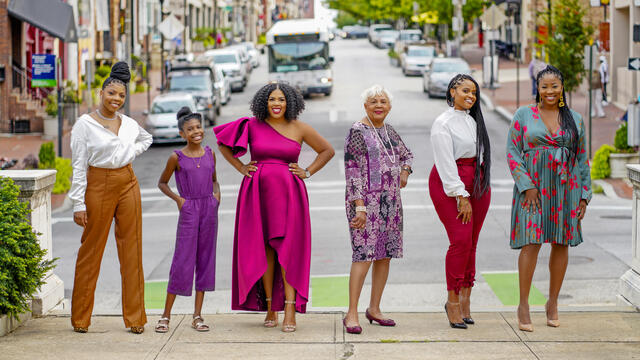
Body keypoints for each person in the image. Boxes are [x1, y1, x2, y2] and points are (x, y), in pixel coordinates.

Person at [213, 82, 334, 332]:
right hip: (256, 194)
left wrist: (307, 172)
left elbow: (327, 150)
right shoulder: (251, 125)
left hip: (290, 194)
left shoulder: (299, 127)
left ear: (289, 102)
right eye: (271, 100)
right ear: (263, 102)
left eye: (281, 99)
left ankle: (290, 308)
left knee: (288, 250)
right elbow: (222, 143)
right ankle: (270, 306)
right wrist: (241, 167)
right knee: (264, 248)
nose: (276, 104)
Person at [506, 65, 592, 332]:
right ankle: (523, 304)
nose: (550, 91)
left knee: (561, 243)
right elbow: (512, 151)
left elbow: (581, 158)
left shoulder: (575, 119)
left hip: (566, 188)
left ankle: (552, 303)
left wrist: (584, 196)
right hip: (532, 190)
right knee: (531, 242)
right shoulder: (523, 115)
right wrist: (526, 185)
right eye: (545, 86)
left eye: (555, 86)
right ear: (538, 89)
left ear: (562, 87)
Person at [69, 62, 152, 334]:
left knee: (132, 250)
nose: (116, 99)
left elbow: (146, 138)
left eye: (121, 95)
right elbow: (79, 165)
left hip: (128, 182)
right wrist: (78, 203)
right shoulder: (85, 125)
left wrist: (131, 153)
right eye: (111, 93)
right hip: (99, 184)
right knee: (91, 251)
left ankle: (136, 318)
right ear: (100, 93)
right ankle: (81, 318)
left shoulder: (128, 124)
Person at [342, 85, 414, 335]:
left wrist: (404, 172)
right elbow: (351, 171)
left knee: (384, 254)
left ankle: (374, 308)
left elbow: (408, 155)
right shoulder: (357, 131)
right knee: (363, 255)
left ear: (389, 107)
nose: (378, 105)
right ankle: (351, 313)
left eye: (383, 101)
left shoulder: (389, 131)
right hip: (365, 204)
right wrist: (358, 206)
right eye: (373, 101)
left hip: (391, 203)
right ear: (365, 106)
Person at [429, 74, 491, 329]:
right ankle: (452, 300)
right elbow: (445, 162)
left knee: (472, 243)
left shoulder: (474, 120)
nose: (471, 96)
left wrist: (479, 186)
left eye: (474, 93)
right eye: (465, 91)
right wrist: (460, 195)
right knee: (461, 241)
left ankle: (466, 298)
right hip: (451, 184)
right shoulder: (442, 123)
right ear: (452, 91)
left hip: (478, 182)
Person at [155, 107, 220, 333]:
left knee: (205, 260)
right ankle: (165, 316)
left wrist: (216, 197)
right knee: (182, 261)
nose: (196, 131)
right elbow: (162, 183)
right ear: (182, 134)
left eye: (198, 127)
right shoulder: (176, 157)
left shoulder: (210, 153)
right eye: (190, 129)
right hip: (189, 209)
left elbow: (214, 180)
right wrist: (178, 200)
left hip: (209, 210)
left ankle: (198, 315)